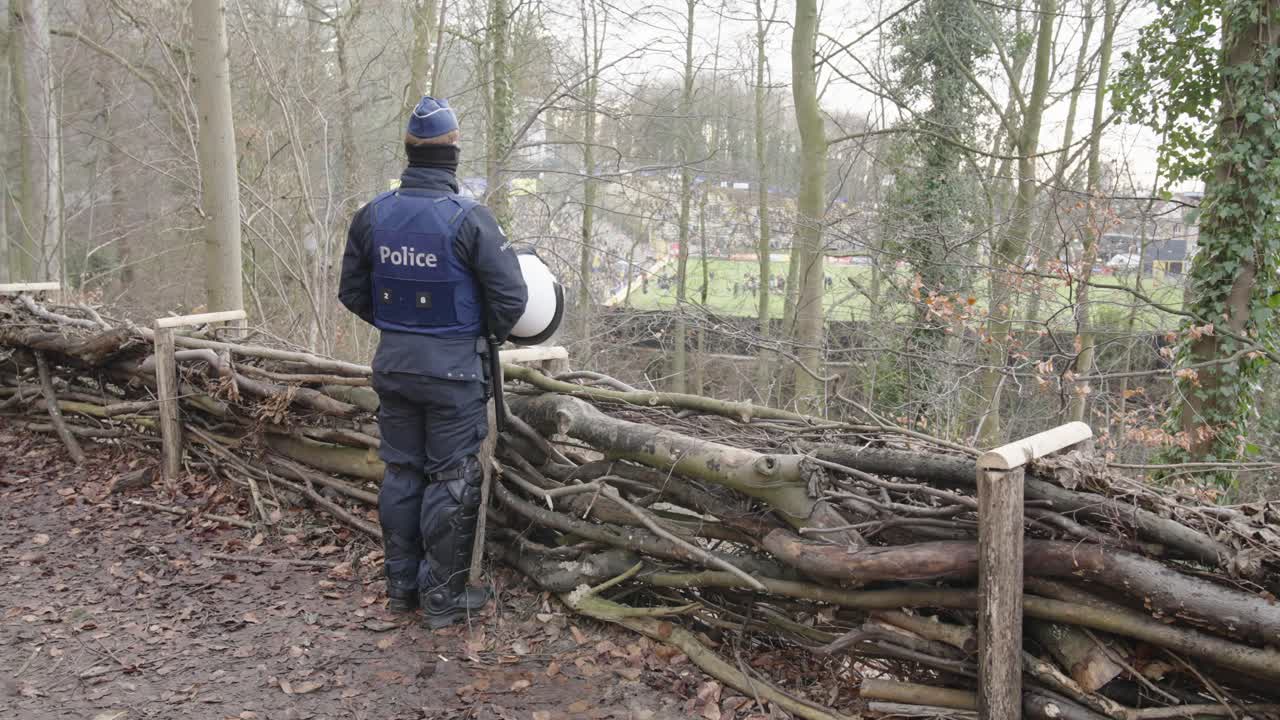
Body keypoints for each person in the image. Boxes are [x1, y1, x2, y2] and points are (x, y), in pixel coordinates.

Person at [338, 96, 528, 629]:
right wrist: (468, 333)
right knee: (452, 479)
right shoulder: (470, 219)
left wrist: (403, 331)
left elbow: (352, 292)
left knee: (401, 472)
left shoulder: (372, 215)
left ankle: (401, 590)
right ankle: (442, 600)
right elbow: (511, 301)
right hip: (454, 375)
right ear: (454, 154)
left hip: (394, 365)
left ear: (408, 151)